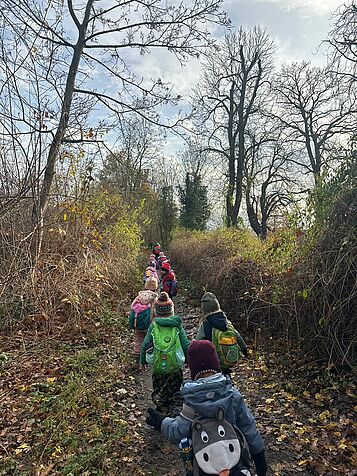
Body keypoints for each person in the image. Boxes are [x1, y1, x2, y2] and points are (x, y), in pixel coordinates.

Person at [146, 340, 267, 476]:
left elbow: (179, 432)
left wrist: (161, 421)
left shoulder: (191, 402)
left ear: (193, 368)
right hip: (235, 467)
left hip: (203, 469)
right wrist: (260, 459)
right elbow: (249, 428)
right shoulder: (232, 395)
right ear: (216, 364)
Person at [140, 292, 189, 416]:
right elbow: (185, 344)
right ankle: (173, 412)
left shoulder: (153, 326)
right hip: (175, 367)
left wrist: (143, 360)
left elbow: (146, 344)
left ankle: (161, 408)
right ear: (172, 311)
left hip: (158, 366)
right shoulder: (177, 325)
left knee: (159, 388)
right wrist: (188, 359)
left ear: (156, 312)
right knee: (175, 390)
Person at [196, 292, 248, 374]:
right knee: (226, 375)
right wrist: (244, 349)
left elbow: (198, 341)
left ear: (204, 309)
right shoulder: (226, 321)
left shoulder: (205, 324)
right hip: (227, 356)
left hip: (213, 359)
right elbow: (236, 334)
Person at [129, 289, 157, 365]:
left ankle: (136, 360)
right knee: (150, 341)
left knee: (138, 341)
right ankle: (148, 359)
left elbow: (132, 310)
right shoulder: (153, 299)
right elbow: (156, 314)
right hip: (149, 326)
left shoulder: (138, 298)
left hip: (138, 326)